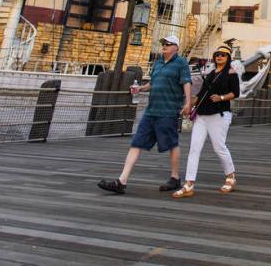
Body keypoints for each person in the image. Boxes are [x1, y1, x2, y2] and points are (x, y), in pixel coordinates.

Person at [97, 34, 191, 194]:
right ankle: (122, 180)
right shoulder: (159, 63)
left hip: (168, 110)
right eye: (163, 43)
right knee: (136, 143)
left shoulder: (181, 63)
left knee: (172, 144)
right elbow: (153, 83)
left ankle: (175, 178)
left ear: (176, 47)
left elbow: (186, 82)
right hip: (151, 110)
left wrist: (188, 102)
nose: (164, 45)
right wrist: (140, 88)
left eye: (168, 43)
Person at [172, 45, 240, 198]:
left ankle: (230, 176)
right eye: (217, 54)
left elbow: (235, 93)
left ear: (228, 57)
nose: (219, 57)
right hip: (202, 114)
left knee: (219, 147)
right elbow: (202, 93)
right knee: (194, 148)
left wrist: (221, 97)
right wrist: (190, 106)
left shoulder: (231, 73)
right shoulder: (210, 73)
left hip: (219, 114)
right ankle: (189, 183)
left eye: (223, 55)